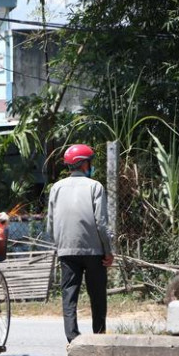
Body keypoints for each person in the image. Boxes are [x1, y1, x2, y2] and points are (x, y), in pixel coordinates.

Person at [46, 144, 113, 343]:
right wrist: (107, 251)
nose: (90, 165)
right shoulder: (95, 186)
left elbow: (50, 223)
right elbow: (101, 223)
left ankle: (72, 339)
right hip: (94, 251)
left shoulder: (56, 188)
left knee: (69, 295)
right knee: (97, 295)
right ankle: (99, 337)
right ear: (84, 164)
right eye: (89, 162)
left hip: (66, 250)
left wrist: (60, 246)